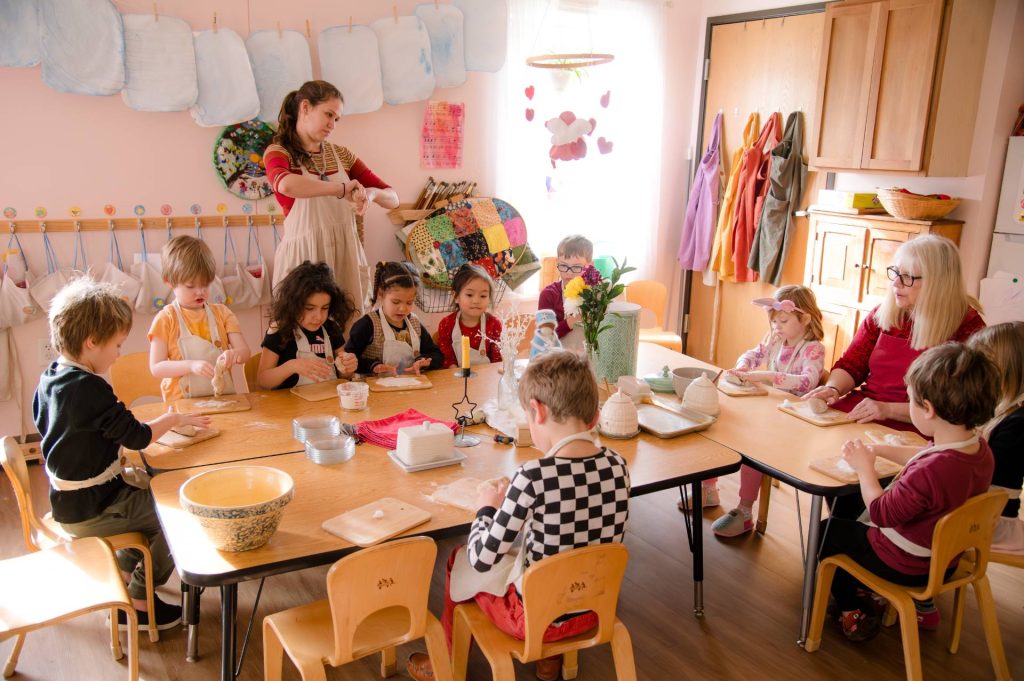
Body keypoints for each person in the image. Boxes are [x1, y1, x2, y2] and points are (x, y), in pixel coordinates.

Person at [405, 350, 631, 681]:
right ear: (595, 417)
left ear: (537, 411)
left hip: (534, 619)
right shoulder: (617, 464)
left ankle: (447, 663)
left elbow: (482, 558)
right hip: (596, 610)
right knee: (549, 557)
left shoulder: (533, 476)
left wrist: (487, 506)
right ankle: (550, 662)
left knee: (458, 559)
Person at [33, 278, 211, 631]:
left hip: (70, 503)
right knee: (182, 515)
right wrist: (173, 418)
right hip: (93, 507)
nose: (118, 353)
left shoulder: (53, 375)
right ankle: (141, 599)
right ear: (91, 343)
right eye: (116, 345)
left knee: (154, 494)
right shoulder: (89, 388)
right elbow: (138, 436)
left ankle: (130, 569)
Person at [817, 342, 998, 642]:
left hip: (905, 564)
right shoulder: (977, 448)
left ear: (928, 409)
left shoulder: (932, 471)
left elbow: (880, 512)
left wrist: (865, 468)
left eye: (910, 399)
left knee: (828, 532)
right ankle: (867, 591)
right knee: (850, 522)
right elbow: (923, 453)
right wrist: (878, 450)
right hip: (943, 560)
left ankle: (850, 609)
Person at [804, 235, 985, 432]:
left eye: (908, 277)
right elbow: (852, 365)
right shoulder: (884, 314)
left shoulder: (968, 328)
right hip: (864, 410)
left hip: (919, 426)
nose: (896, 283)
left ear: (937, 282)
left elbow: (955, 405)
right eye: (896, 273)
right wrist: (833, 388)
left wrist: (888, 409)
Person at [264, 80, 399, 313]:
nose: (332, 125)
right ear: (305, 108)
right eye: (328, 115)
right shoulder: (278, 152)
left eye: (336, 119)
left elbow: (393, 198)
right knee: (302, 335)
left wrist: (371, 193)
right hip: (304, 260)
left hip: (345, 256)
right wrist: (341, 189)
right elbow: (286, 185)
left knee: (347, 333)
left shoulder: (341, 155)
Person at [706, 285, 826, 536]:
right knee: (719, 425)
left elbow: (808, 381)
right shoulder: (775, 339)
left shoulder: (813, 349)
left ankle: (745, 511)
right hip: (767, 410)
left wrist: (768, 376)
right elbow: (754, 353)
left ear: (804, 319)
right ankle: (708, 489)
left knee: (754, 447)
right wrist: (743, 365)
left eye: (782, 320)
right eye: (773, 322)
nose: (776, 327)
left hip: (793, 423)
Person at [148, 236, 250, 402]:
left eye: (206, 284)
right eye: (191, 286)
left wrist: (235, 354)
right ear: (169, 282)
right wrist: (190, 366)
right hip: (182, 403)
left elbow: (245, 353)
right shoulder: (166, 319)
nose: (200, 291)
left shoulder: (223, 314)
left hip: (222, 399)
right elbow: (156, 368)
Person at [255, 261, 358, 390]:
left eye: (324, 308)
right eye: (310, 308)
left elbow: (344, 375)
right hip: (291, 407)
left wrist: (348, 366)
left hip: (328, 403)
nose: (319, 317)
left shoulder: (331, 328)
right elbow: (262, 381)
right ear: (293, 305)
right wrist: (291, 366)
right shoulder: (279, 330)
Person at [968, 321, 1024, 554]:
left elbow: (993, 484)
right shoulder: (1004, 408)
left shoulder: (1018, 423)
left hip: (990, 519)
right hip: (980, 507)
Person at [344, 261, 443, 375]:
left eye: (409, 303)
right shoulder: (368, 324)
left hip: (410, 385)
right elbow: (349, 358)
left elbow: (436, 354)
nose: (403, 309)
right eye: (396, 302)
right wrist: (373, 366)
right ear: (381, 294)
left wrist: (424, 361)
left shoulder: (415, 323)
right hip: (374, 388)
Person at [436, 263, 502, 369]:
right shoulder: (447, 324)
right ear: (456, 297)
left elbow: (497, 361)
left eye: (483, 296)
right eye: (469, 295)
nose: (476, 301)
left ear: (489, 298)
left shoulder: (494, 324)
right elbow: (447, 359)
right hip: (457, 379)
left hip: (486, 379)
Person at [538, 235, 593, 351]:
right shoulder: (548, 295)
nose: (568, 273)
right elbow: (545, 338)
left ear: (589, 266)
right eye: (563, 266)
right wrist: (572, 321)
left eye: (576, 267)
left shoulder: (594, 293)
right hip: (559, 359)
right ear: (557, 263)